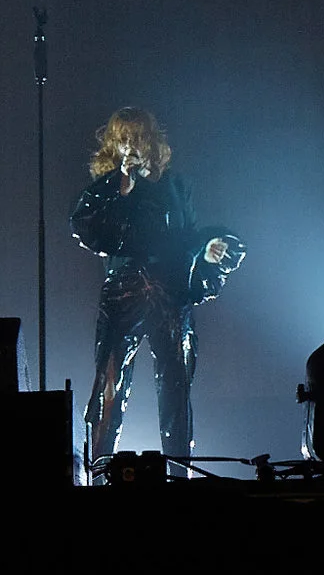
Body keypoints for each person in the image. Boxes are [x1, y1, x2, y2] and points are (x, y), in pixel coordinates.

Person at [69, 107, 245, 476]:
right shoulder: (107, 188)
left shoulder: (175, 186)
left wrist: (207, 247)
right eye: (124, 138)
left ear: (151, 141)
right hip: (124, 293)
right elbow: (86, 226)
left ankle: (179, 472)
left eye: (138, 137)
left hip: (169, 293)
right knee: (110, 386)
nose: (131, 145)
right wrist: (120, 188)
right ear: (113, 144)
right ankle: (99, 474)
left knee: (176, 387)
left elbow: (187, 235)